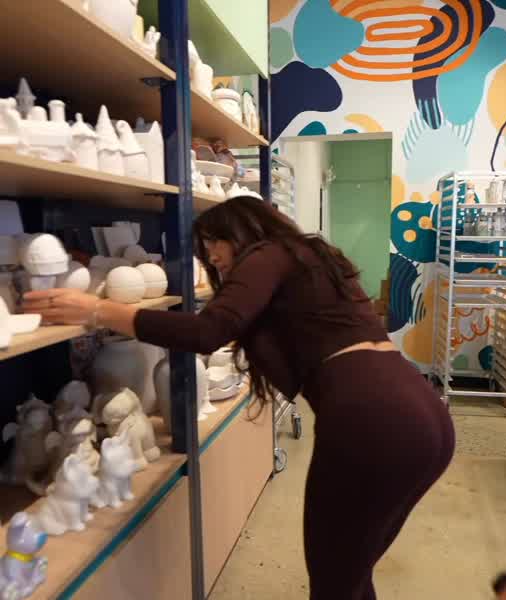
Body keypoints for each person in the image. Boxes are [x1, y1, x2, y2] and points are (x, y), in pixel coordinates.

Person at [23, 196, 455, 599]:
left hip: (373, 420)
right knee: (351, 575)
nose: (211, 257)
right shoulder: (311, 260)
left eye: (215, 242)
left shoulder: (269, 253)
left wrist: (97, 311)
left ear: (245, 229)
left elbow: (207, 332)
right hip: (423, 414)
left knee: (335, 581)